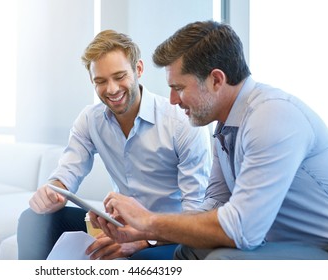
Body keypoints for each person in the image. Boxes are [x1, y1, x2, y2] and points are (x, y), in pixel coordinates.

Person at [99, 20, 328, 260]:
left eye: (179, 88)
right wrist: (143, 231)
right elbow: (214, 207)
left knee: (221, 262)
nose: (172, 100)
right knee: (190, 250)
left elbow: (241, 229)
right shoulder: (226, 128)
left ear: (216, 79)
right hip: (288, 245)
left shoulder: (272, 116)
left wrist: (148, 221)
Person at [16, 30, 212, 260]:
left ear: (138, 69)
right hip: (118, 226)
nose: (111, 89)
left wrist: (142, 238)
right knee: (34, 220)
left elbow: (196, 214)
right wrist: (52, 192)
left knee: (138, 261)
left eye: (119, 77)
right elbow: (67, 173)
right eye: (101, 81)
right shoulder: (91, 120)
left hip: (169, 234)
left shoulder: (181, 123)